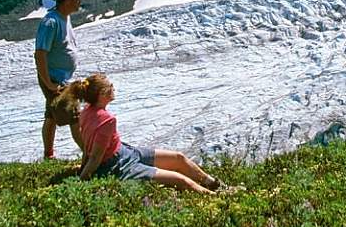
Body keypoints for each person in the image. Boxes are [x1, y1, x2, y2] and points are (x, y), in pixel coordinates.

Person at [55, 74, 227, 193]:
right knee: (180, 180)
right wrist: (82, 180)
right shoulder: (107, 121)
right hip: (117, 167)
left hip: (124, 152)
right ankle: (216, 197)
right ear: (102, 94)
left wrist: (83, 167)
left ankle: (212, 184)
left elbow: (88, 147)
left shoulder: (86, 111)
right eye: (110, 87)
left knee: (178, 157)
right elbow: (96, 157)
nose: (113, 88)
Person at [34, 0, 87, 159]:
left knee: (51, 116)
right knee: (74, 115)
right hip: (55, 79)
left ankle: (48, 155)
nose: (79, 2)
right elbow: (40, 53)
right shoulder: (51, 22)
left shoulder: (64, 18)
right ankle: (90, 153)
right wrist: (48, 82)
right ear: (67, 0)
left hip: (62, 77)